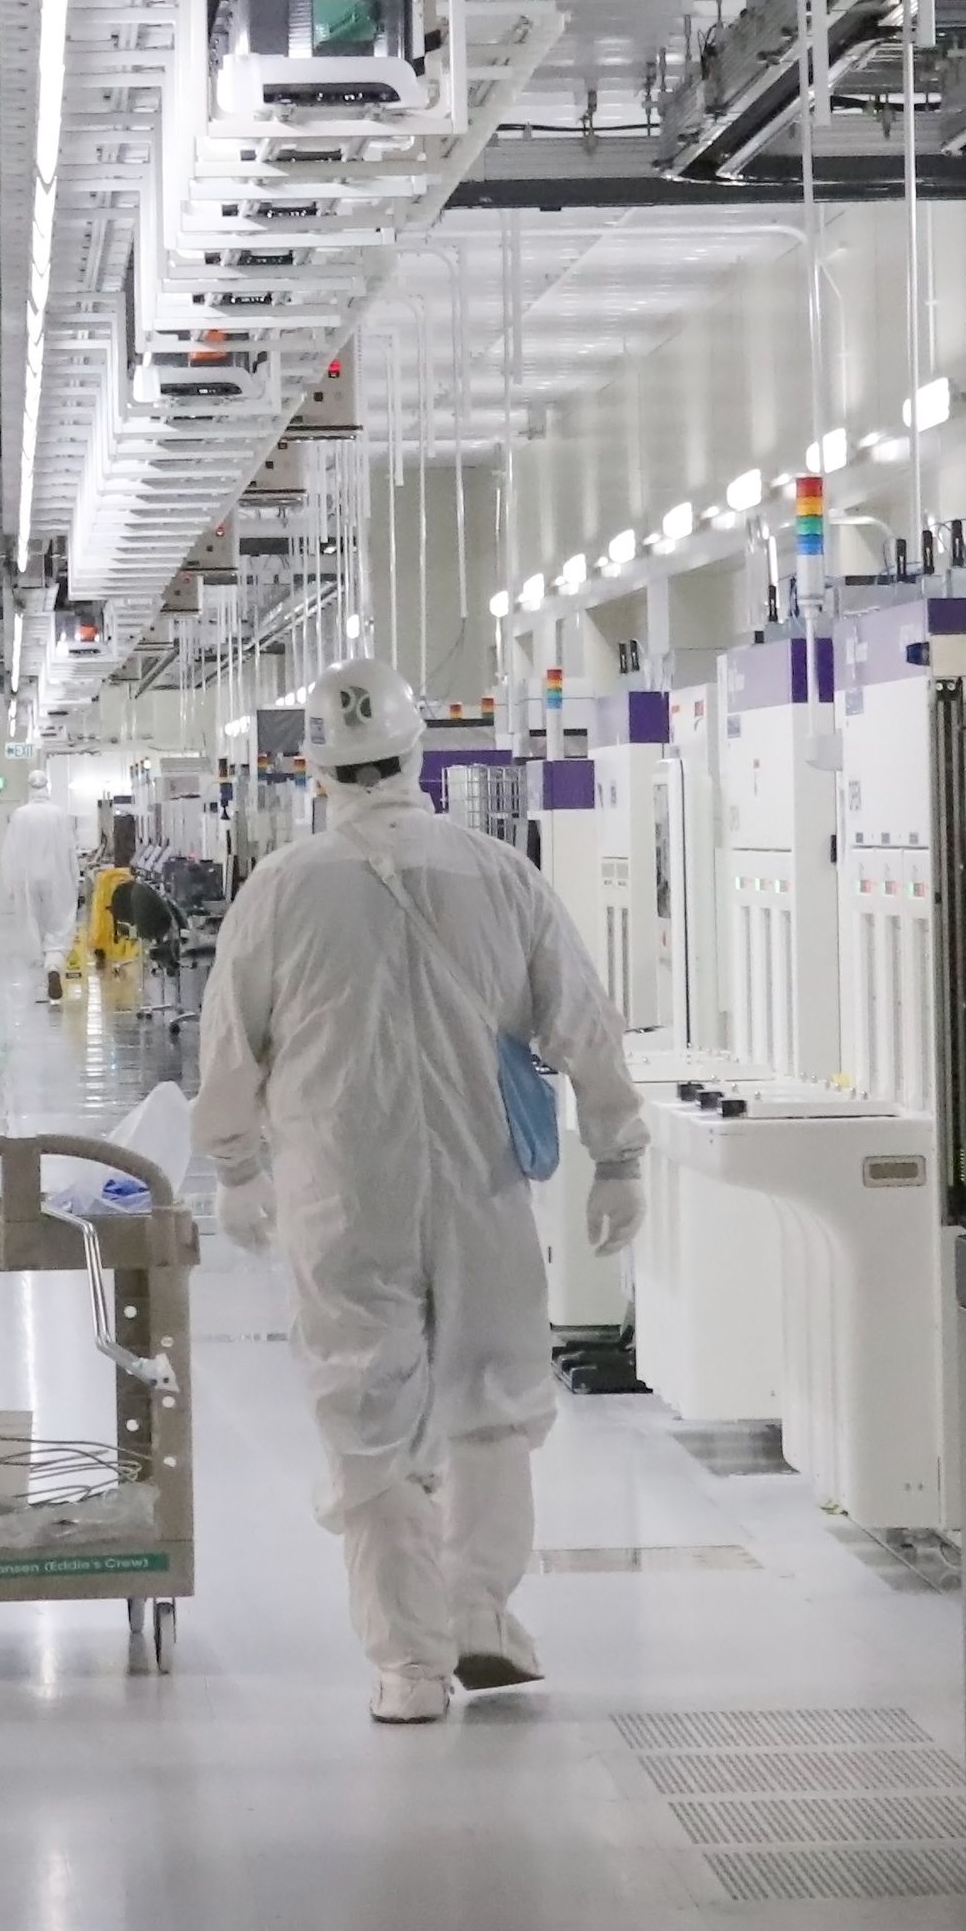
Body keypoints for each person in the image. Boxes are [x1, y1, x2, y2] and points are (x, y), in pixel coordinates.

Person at [196, 655, 646, 1725]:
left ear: (316, 768)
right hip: (482, 1182)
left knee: (366, 1409)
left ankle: (408, 1664)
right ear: (422, 754)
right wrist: (619, 1151)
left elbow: (230, 1051)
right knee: (490, 1399)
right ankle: (480, 1614)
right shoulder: (499, 873)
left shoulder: (281, 891)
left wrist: (235, 1167)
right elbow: (582, 1018)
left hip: (343, 1187)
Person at [0, 768, 80, 1001]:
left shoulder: (19, 815)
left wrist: (11, 887)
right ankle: (53, 968)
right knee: (58, 926)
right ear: (47, 787)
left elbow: (9, 853)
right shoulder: (60, 815)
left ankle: (38, 984)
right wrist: (75, 882)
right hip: (57, 878)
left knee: (31, 927)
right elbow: (70, 850)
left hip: (27, 880)